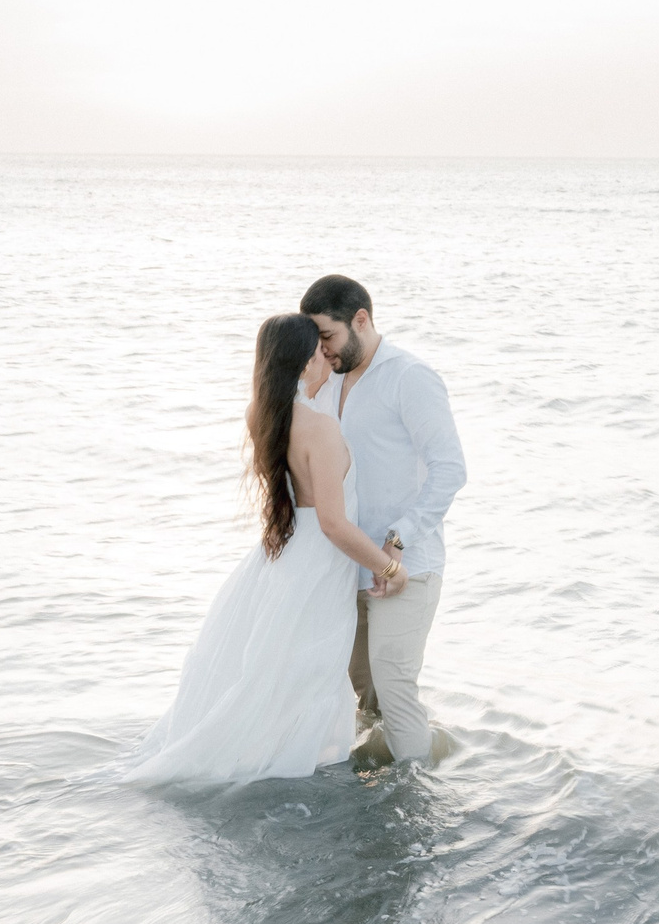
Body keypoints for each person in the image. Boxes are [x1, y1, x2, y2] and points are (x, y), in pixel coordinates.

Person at [123, 314, 408, 784]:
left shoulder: (261, 413)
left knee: (274, 670)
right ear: (304, 360)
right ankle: (300, 769)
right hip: (318, 562)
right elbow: (335, 524)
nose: (326, 361)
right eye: (319, 351)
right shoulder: (320, 428)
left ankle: (268, 759)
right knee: (305, 673)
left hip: (285, 552)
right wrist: (390, 569)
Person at [299, 274, 466, 768]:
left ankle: (418, 796)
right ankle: (376, 790)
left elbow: (450, 468)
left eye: (327, 336)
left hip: (406, 563)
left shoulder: (409, 376)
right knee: (364, 693)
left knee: (395, 687)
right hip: (345, 564)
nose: (322, 350)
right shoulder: (324, 381)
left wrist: (399, 538)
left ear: (362, 320)